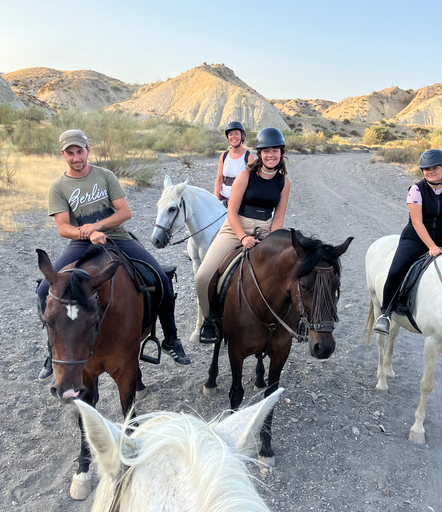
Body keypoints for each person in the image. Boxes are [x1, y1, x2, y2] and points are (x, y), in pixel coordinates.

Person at [37, 129, 190, 381]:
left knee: (161, 278)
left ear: (88, 150)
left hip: (118, 237)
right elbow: (64, 228)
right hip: (80, 244)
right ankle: (53, 348)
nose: (76, 157)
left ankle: (171, 338)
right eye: (70, 153)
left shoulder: (105, 176)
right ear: (63, 154)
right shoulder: (59, 187)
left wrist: (97, 227)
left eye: (80, 151)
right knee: (44, 290)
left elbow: (124, 212)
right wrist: (86, 234)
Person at [195, 127, 292, 343]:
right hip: (236, 227)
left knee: (289, 270)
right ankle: (209, 320)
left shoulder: (284, 183)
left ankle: (289, 319)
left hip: (267, 230)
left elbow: (279, 216)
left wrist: (272, 237)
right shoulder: (245, 175)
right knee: (203, 276)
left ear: (281, 153)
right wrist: (242, 237)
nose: (271, 155)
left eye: (275, 151)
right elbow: (231, 211)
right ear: (259, 153)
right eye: (266, 151)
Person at [374, 148, 442, 335]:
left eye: (435, 168)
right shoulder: (416, 189)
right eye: (426, 169)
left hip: (441, 234)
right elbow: (416, 221)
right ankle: (386, 314)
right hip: (415, 236)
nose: (430, 171)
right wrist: (431, 246)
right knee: (396, 270)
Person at [214, 121, 257, 207]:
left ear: (242, 135)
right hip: (223, 198)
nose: (233, 137)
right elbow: (219, 179)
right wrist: (215, 199)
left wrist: (236, 200)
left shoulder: (249, 157)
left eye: (236, 134)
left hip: (240, 201)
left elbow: (252, 184)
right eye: (230, 134)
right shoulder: (224, 156)